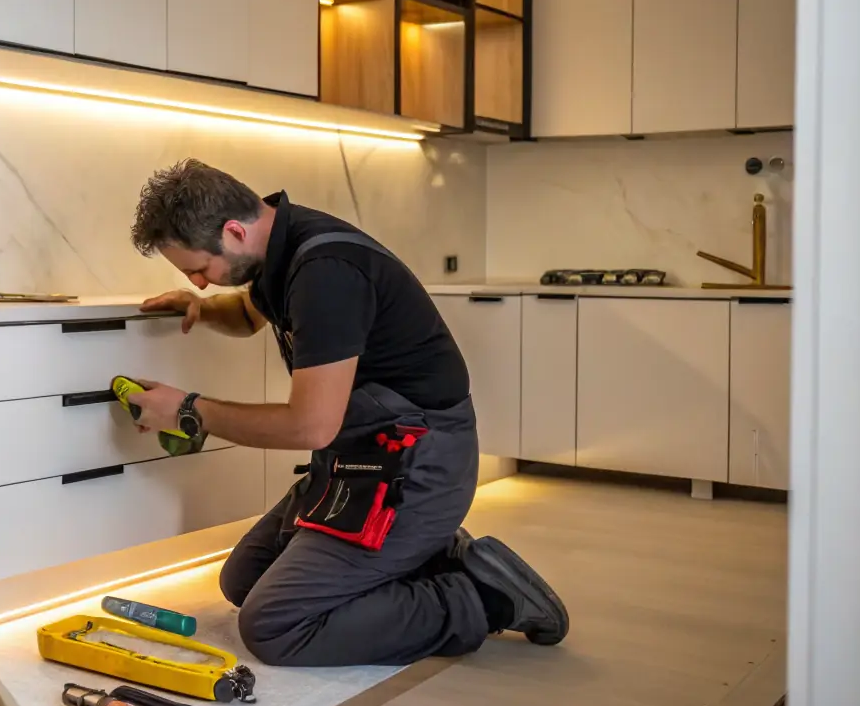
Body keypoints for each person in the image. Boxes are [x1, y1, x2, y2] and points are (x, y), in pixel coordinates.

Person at [125, 159, 568, 667]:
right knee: (244, 579)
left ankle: (482, 599)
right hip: (358, 462)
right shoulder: (281, 248)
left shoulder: (326, 272)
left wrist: (189, 411)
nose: (201, 284)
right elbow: (252, 313)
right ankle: (430, 557)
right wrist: (201, 309)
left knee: (275, 625)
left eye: (200, 270)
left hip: (416, 469)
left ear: (233, 230)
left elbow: (310, 425)